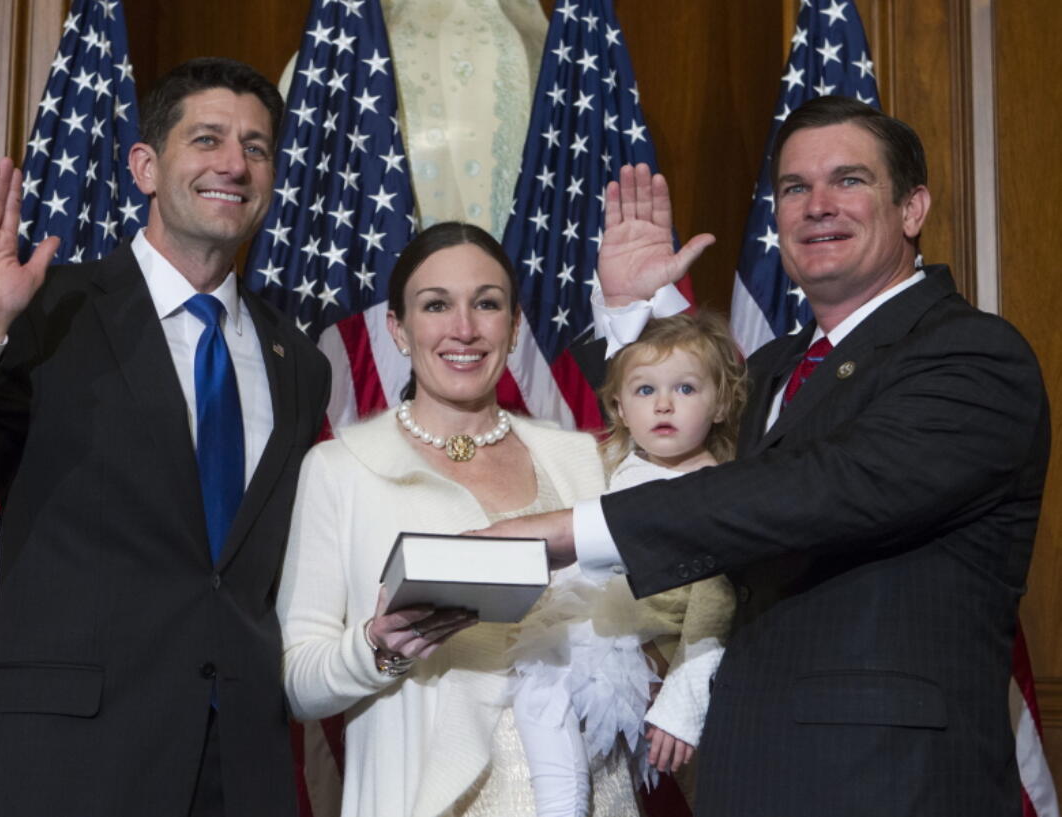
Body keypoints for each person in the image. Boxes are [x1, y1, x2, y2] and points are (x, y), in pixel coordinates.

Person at [481, 96, 1051, 817]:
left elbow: (817, 490)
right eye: (794, 188)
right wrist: (630, 317)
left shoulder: (971, 354)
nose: (817, 205)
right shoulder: (776, 366)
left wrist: (569, 530)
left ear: (913, 209)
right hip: (742, 772)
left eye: (849, 180)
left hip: (888, 783)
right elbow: (671, 445)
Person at [0, 58, 330, 817]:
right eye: (207, 139)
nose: (234, 163)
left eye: (257, 147)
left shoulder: (298, 360)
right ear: (145, 165)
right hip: (63, 773)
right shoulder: (48, 312)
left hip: (241, 779)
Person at [276, 221, 697, 817]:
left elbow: (700, 501)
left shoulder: (581, 458)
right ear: (398, 328)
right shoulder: (340, 469)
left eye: (488, 304)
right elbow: (298, 681)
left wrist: (634, 314)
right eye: (436, 305)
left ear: (516, 324)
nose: (464, 329)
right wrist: (378, 646)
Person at [508, 311, 743, 816]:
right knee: (538, 678)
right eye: (644, 391)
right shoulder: (618, 469)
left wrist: (682, 706)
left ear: (721, 403)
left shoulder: (721, 490)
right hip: (605, 623)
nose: (663, 404)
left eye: (685, 388)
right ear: (619, 407)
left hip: (657, 646)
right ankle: (561, 805)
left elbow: (714, 606)